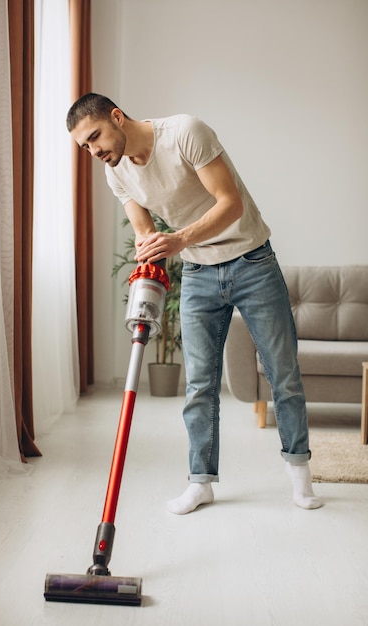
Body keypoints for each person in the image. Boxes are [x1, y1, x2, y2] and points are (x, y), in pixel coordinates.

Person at [67, 93, 322, 514]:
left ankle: (300, 477)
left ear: (117, 117)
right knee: (200, 384)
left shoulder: (185, 131)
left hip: (252, 261)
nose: (94, 151)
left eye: (95, 137)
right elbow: (147, 234)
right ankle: (200, 482)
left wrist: (180, 239)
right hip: (199, 274)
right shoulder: (117, 174)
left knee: (283, 373)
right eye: (85, 147)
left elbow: (231, 203)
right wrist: (149, 261)